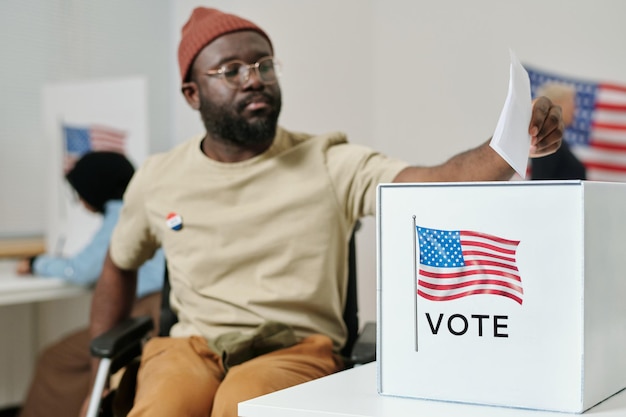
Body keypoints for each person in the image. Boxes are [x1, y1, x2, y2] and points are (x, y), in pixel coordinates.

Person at [80, 7, 564, 417]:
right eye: (231, 71)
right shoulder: (158, 177)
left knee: (243, 403)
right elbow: (119, 263)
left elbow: (432, 182)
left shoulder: (329, 162)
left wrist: (508, 148)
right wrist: (98, 371)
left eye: (264, 65)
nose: (254, 80)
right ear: (192, 94)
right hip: (192, 348)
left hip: (293, 350)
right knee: (166, 403)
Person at [16, 151, 165, 417]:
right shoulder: (145, 205)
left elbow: (83, 269)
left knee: (57, 359)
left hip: (144, 316)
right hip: (159, 310)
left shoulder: (121, 215)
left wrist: (37, 263)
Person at [530, 81, 587, 180]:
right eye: (571, 102)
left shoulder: (557, 143)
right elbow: (540, 182)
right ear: (556, 104)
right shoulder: (546, 143)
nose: (574, 109)